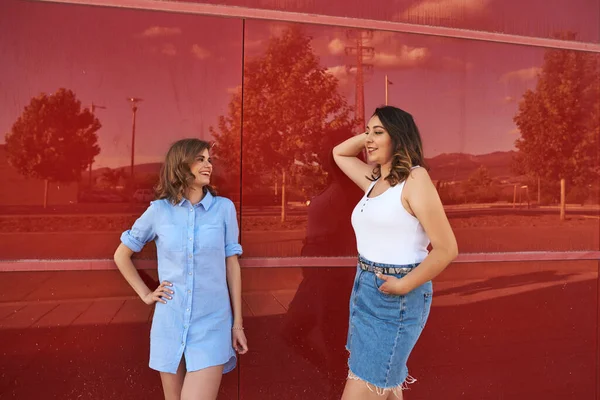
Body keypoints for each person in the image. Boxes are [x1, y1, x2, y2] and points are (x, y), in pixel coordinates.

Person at [333, 106, 458, 399]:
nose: (369, 141)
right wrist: (370, 134)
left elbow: (447, 248)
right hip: (364, 290)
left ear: (398, 138)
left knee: (367, 383)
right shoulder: (374, 181)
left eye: (378, 133)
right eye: (367, 132)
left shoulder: (415, 180)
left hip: (396, 296)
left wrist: (402, 284)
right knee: (384, 385)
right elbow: (340, 153)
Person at [113, 138, 248, 400]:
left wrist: (237, 324)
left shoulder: (224, 209)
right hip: (170, 322)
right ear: (180, 165)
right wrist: (146, 293)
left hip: (213, 323)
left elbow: (232, 265)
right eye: (200, 159)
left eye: (209, 159)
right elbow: (122, 255)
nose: (208, 165)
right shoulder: (158, 211)